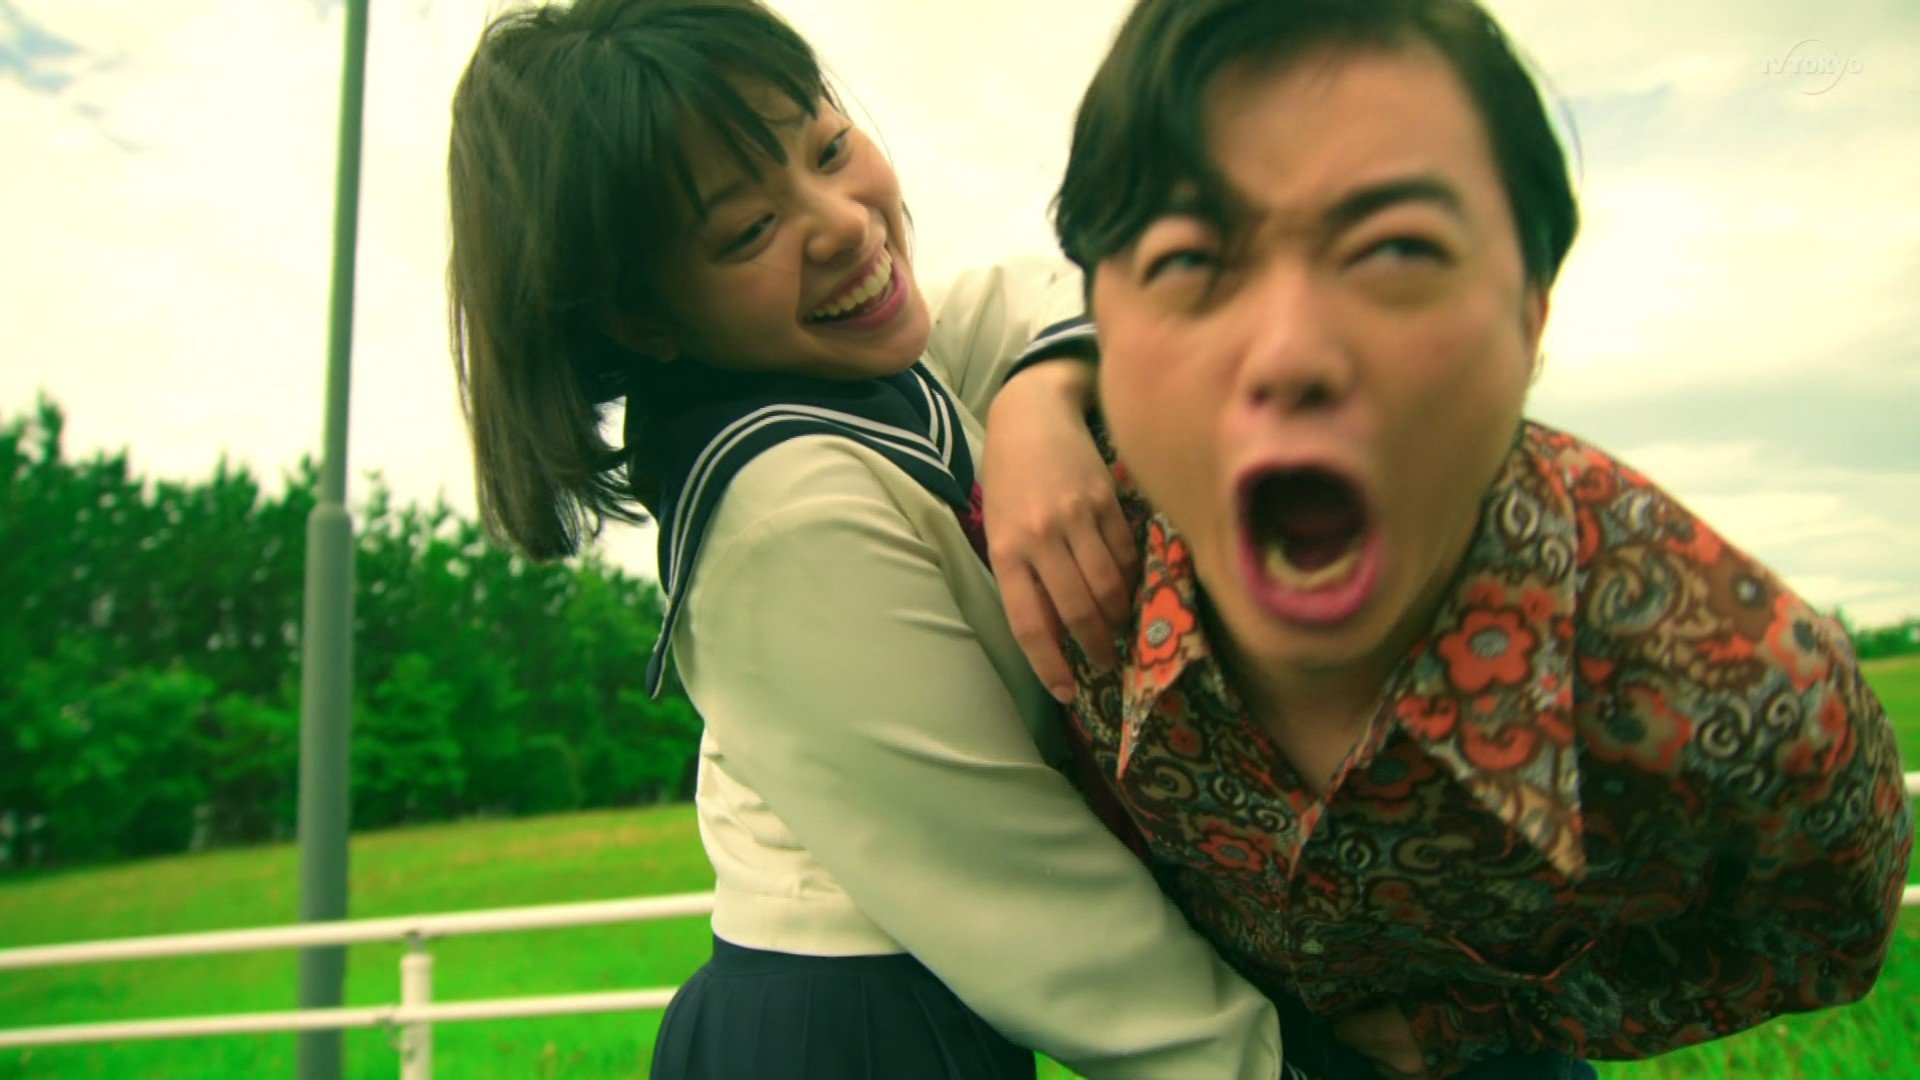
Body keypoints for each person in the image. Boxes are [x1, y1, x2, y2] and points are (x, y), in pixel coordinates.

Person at [982, 0, 1914, 1077]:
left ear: (1531, 315)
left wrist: (1492, 1023)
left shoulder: (1743, 684)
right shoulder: (1067, 547)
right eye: (1189, 261)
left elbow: (1831, 932)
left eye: (1398, 248)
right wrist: (1030, 390)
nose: (1289, 354)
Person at [445, 1, 1289, 1077]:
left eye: (828, 148)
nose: (841, 222)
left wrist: (1041, 391)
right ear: (642, 319)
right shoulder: (780, 511)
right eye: (748, 231)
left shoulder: (860, 369)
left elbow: (1051, 291)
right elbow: (1017, 886)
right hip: (853, 1027)